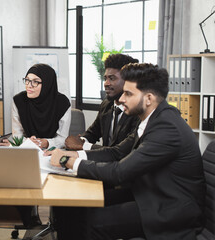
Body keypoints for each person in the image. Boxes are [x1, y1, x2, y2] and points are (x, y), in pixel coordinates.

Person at [47, 63, 205, 240]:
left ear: (148, 98)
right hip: (148, 194)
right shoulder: (152, 119)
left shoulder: (166, 127)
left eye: (128, 94)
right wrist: (75, 155)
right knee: (74, 207)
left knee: (92, 222)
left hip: (170, 209)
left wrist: (69, 162)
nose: (121, 99)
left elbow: (120, 172)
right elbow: (116, 153)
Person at [65, 54, 139, 150]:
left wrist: (83, 146)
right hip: (103, 161)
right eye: (105, 78)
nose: (106, 83)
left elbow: (121, 151)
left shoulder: (137, 111)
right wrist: (80, 140)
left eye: (112, 78)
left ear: (127, 81)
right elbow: (93, 133)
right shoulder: (106, 105)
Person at [11, 63, 71, 149]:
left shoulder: (62, 103)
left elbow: (63, 139)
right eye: (27, 80)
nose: (29, 85)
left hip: (53, 151)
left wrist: (46, 143)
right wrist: (28, 142)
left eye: (35, 81)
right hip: (26, 150)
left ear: (47, 84)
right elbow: (17, 137)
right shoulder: (19, 100)